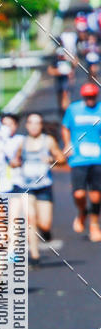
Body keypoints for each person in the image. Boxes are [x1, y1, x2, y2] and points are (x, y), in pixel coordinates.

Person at [10, 112, 66, 266]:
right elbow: (15, 160)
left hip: (44, 186)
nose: (34, 126)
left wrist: (52, 159)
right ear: (27, 125)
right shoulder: (22, 142)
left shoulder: (48, 141)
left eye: (37, 123)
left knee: (45, 223)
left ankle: (46, 232)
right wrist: (15, 163)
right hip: (27, 187)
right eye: (31, 123)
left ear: (41, 125)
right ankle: (34, 256)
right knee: (30, 218)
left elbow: (62, 159)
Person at [62, 83, 101, 242]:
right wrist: (67, 144)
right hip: (78, 158)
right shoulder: (73, 109)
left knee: (96, 196)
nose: (90, 99)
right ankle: (82, 211)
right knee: (79, 193)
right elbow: (65, 127)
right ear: (83, 97)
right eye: (87, 97)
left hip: (97, 158)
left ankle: (94, 225)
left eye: (92, 96)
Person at [47, 45, 75, 115]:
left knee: (65, 93)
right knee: (59, 94)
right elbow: (50, 70)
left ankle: (66, 109)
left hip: (65, 79)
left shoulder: (67, 60)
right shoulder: (55, 61)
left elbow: (73, 67)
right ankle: (61, 108)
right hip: (58, 80)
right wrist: (58, 72)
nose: (61, 56)